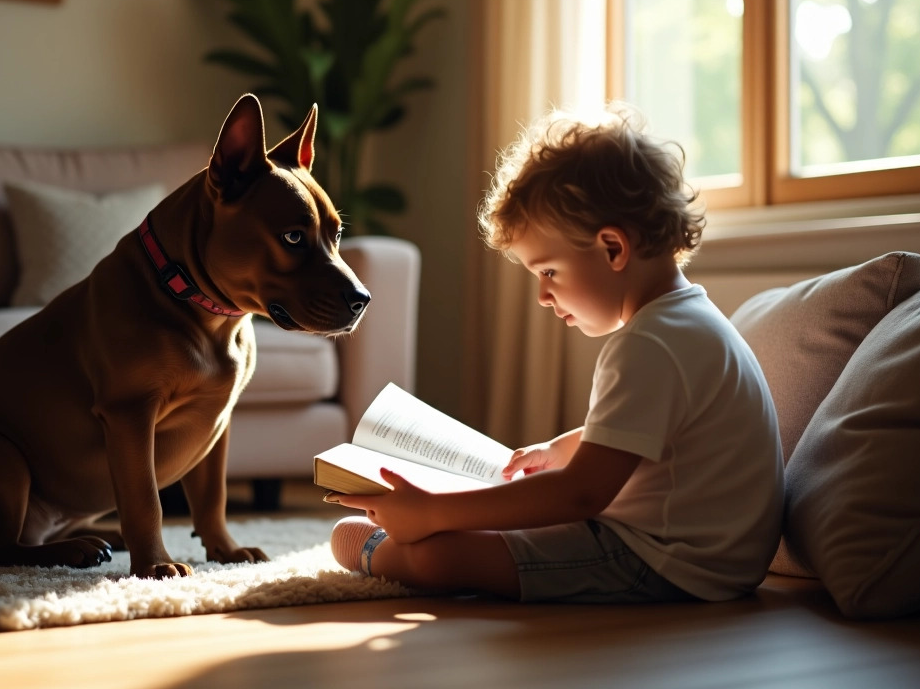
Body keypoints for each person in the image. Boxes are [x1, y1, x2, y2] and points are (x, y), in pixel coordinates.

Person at [328, 103, 784, 604]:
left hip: (664, 561)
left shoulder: (650, 343)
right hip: (708, 557)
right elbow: (642, 434)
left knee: (438, 554)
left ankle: (375, 548)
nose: (543, 297)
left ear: (612, 248)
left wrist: (434, 513)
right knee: (476, 534)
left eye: (548, 272)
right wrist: (559, 450)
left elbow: (580, 495)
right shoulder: (688, 323)